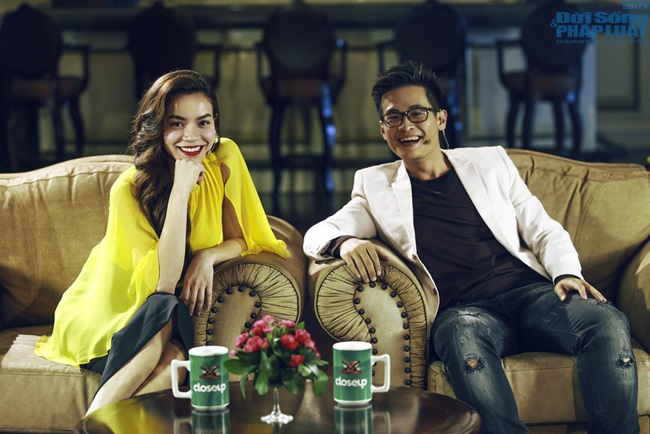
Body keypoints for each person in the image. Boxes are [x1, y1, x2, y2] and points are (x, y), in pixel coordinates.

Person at [303, 62, 639, 434]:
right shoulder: (375, 186)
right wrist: (347, 241)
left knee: (606, 320)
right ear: (383, 129)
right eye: (393, 117)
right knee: (461, 337)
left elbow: (542, 228)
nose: (406, 125)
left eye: (417, 113)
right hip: (465, 312)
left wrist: (566, 274)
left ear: (440, 119)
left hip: (532, 296)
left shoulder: (490, 163)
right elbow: (317, 233)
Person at [35, 70, 289, 415]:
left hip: (163, 316)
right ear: (157, 128)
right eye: (176, 124)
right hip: (114, 311)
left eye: (203, 123)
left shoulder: (224, 159)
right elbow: (165, 283)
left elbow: (245, 238)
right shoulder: (129, 188)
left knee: (177, 358)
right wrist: (181, 191)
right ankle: (94, 422)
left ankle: (97, 422)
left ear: (215, 126)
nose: (192, 136)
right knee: (166, 310)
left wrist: (207, 257)